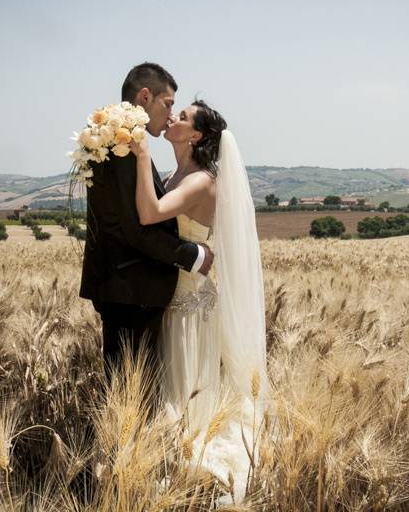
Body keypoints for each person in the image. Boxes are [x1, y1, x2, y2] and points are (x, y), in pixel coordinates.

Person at [129, 100, 268, 502]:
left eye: (184, 117)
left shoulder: (202, 181)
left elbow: (151, 213)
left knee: (185, 386)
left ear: (196, 136)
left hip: (190, 302)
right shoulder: (178, 173)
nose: (173, 117)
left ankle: (186, 471)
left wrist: (140, 152)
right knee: (174, 384)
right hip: (175, 295)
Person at [79, 63, 214, 381]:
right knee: (133, 392)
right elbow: (137, 227)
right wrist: (192, 255)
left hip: (123, 286)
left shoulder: (110, 139)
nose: (170, 115)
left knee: (129, 391)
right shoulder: (125, 147)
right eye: (168, 104)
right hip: (131, 288)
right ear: (145, 96)